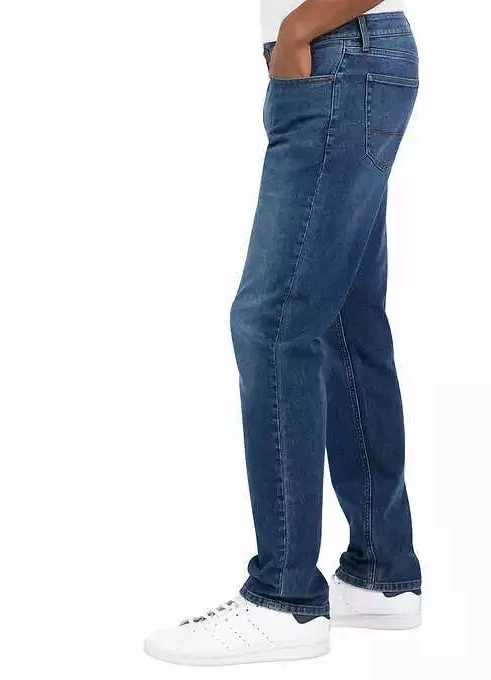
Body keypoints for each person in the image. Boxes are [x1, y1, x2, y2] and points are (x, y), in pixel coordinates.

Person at [145, 0, 421, 666]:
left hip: (338, 52)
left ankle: (284, 598)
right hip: (346, 55)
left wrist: (299, 30)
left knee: (271, 322)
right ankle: (379, 574)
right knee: (345, 320)